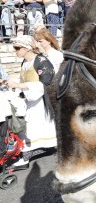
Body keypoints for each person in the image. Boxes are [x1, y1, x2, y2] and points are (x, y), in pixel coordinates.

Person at [7, 35, 56, 170]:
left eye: (17, 48)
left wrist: (18, 85)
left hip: (41, 103)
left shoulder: (41, 61)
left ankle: (25, 157)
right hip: (29, 101)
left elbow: (46, 84)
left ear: (27, 48)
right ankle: (46, 148)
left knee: (32, 130)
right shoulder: (25, 62)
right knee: (33, 129)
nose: (15, 51)